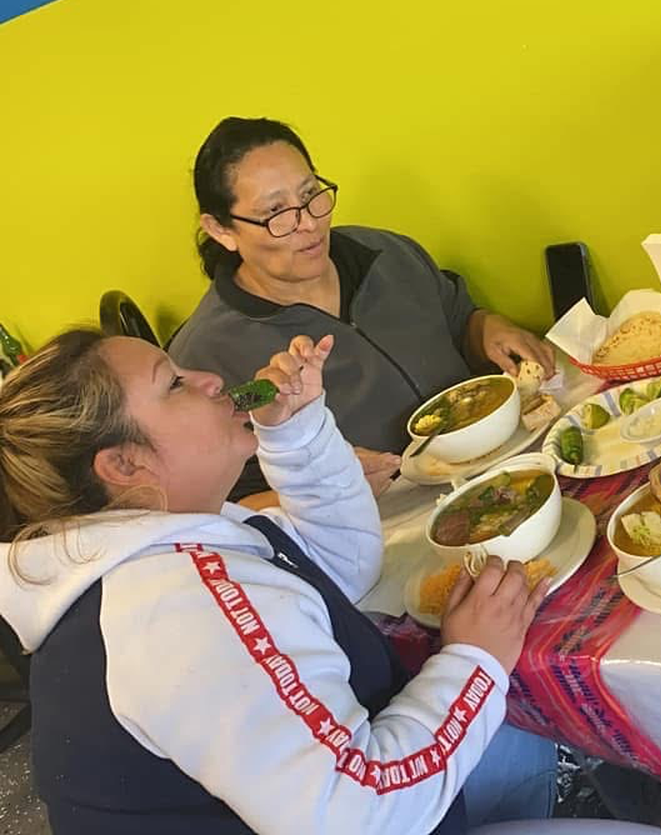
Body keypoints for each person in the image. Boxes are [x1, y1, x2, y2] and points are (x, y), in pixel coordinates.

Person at [0, 329, 557, 834]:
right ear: (123, 466)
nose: (209, 379)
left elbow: (343, 567)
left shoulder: (175, 535)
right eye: (174, 383)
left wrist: (295, 432)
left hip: (376, 775)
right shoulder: (176, 610)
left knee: (528, 734)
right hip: (378, 811)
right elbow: (364, 817)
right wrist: (475, 658)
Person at [168, 117, 556, 502]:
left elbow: (459, 322)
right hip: (382, 525)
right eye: (276, 213)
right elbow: (218, 507)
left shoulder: (384, 253)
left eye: (310, 194)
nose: (309, 223)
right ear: (221, 230)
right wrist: (328, 489)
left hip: (505, 470)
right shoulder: (206, 357)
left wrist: (488, 328)